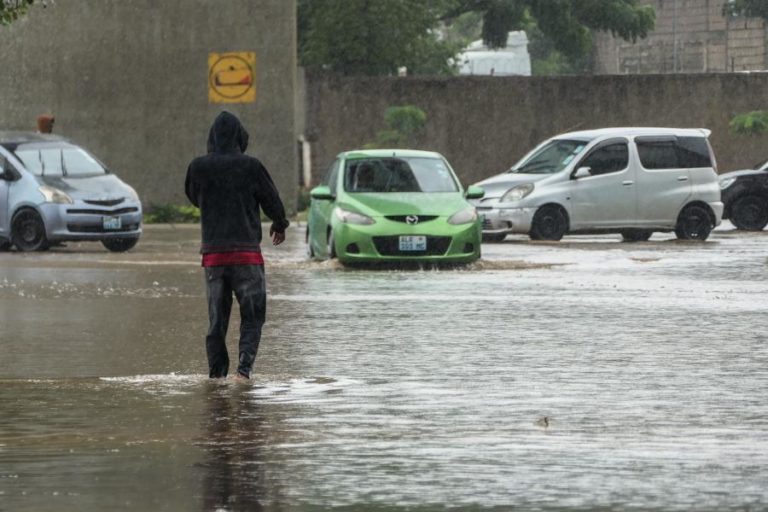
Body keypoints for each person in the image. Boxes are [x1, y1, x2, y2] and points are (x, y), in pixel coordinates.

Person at [185, 111, 289, 380]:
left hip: (214, 258)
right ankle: (243, 371)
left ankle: (217, 377)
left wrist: (213, 201)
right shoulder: (251, 166)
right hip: (246, 257)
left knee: (217, 322)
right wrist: (279, 223)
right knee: (253, 316)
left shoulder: (198, 167)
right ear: (240, 137)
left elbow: (194, 196)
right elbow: (271, 199)